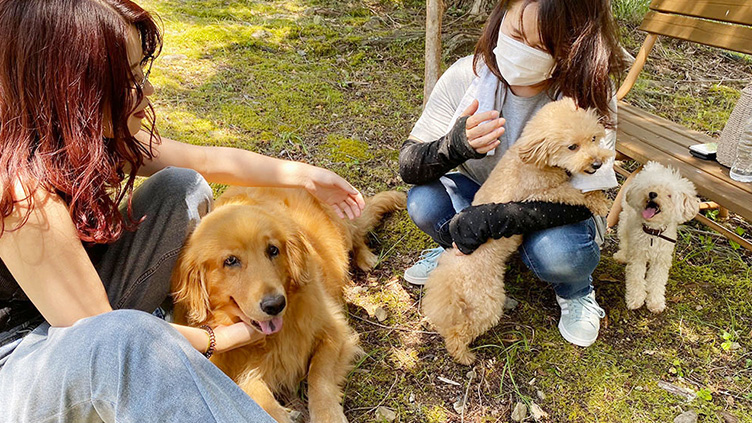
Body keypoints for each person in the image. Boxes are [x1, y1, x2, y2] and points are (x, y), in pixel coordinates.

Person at [0, 0, 365, 421]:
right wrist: (219, 338)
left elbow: (204, 161)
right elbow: (106, 336)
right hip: (22, 361)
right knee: (128, 342)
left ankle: (157, 329)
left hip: (78, 320)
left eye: (142, 73)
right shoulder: (22, 196)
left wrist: (302, 176)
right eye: (128, 80)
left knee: (183, 186)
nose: (147, 91)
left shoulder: (87, 137)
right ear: (68, 89)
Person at [400, 0, 625, 347]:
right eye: (517, 33)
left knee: (561, 255)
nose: (523, 52)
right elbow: (409, 164)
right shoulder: (466, 75)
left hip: (554, 205)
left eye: (543, 46)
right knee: (424, 202)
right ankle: (458, 249)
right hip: (481, 189)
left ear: (572, 49)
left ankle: (575, 288)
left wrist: (501, 218)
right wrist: (455, 145)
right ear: (500, 16)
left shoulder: (587, 94)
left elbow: (588, 199)